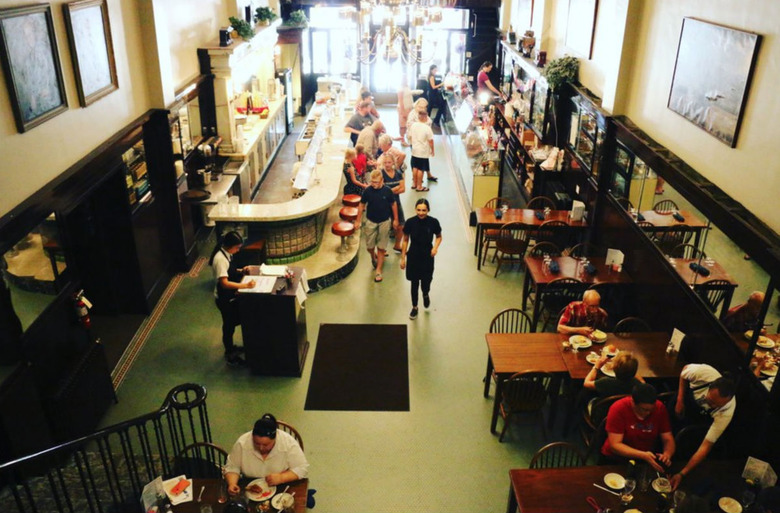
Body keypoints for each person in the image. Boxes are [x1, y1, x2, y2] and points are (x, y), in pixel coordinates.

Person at [670, 364, 736, 490]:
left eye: (717, 405)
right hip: (681, 405)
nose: (712, 406)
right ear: (709, 387)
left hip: (694, 423)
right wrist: (680, 399)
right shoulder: (704, 374)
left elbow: (706, 446)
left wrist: (682, 474)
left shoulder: (726, 411)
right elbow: (684, 372)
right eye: (710, 401)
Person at [225, 413, 309, 493]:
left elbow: (302, 468)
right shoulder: (242, 443)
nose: (261, 448)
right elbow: (232, 467)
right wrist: (232, 484)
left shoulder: (287, 443)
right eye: (256, 443)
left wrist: (282, 477)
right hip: (250, 487)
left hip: (281, 486)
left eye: (266, 445)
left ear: (275, 438)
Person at [601, 383, 675, 472]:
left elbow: (668, 438)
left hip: (645, 458)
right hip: (617, 458)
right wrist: (643, 455)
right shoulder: (618, 408)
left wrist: (667, 454)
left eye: (651, 410)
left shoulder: (659, 408)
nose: (648, 413)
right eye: (644, 409)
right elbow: (615, 445)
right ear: (633, 402)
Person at [210, 231, 255, 367]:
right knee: (229, 326)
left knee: (232, 323)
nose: (238, 250)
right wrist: (245, 285)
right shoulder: (220, 260)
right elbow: (224, 283)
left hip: (229, 296)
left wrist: (242, 271)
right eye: (237, 247)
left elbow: (230, 271)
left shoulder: (227, 254)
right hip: (224, 299)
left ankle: (231, 348)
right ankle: (230, 354)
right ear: (230, 246)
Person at [400, 198, 442, 320]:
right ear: (415, 209)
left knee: (426, 280)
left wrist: (435, 248)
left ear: (428, 210)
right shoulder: (410, 222)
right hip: (413, 255)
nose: (421, 213)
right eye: (418, 210)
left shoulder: (433, 222)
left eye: (424, 210)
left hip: (427, 255)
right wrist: (403, 258)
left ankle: (425, 293)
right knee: (414, 283)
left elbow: (439, 236)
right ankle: (414, 307)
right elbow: (405, 240)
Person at [355, 169, 399, 283]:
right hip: (370, 221)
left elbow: (393, 204)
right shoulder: (367, 191)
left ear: (382, 180)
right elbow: (361, 205)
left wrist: (395, 219)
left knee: (381, 247)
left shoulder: (387, 191)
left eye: (376, 182)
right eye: (372, 182)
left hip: (384, 222)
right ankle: (373, 257)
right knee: (369, 247)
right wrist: (358, 220)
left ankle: (378, 270)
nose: (374, 184)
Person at [377, 153, 406, 253]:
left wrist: (389, 191)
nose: (387, 164)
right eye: (385, 162)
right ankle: (381, 248)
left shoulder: (398, 173)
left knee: (401, 225)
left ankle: (397, 245)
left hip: (396, 202)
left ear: (393, 162)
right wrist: (395, 189)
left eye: (389, 162)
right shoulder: (381, 174)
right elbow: (380, 190)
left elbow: (403, 189)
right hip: (384, 204)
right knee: (383, 227)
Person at [408, 109, 436, 192]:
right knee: (421, 169)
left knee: (415, 167)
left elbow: (410, 136)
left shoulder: (413, 125)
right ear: (425, 117)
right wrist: (432, 150)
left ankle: (414, 184)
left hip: (414, 150)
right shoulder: (427, 128)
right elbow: (430, 140)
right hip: (422, 151)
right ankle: (419, 186)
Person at [397, 75, 423, 146]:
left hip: (409, 108)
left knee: (408, 124)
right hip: (403, 109)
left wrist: (416, 92)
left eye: (407, 79)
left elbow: (409, 93)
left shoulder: (407, 87)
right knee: (402, 126)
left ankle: (408, 138)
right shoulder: (400, 89)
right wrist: (403, 112)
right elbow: (401, 102)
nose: (406, 80)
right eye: (405, 79)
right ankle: (402, 140)